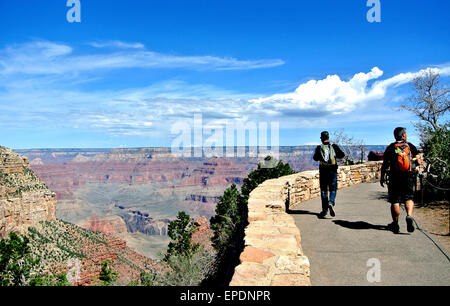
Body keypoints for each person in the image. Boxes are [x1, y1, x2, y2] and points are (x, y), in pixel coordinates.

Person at [380, 127, 421, 233]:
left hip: (395, 176)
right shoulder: (410, 146)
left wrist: (382, 177)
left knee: (395, 201)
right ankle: (409, 216)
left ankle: (395, 224)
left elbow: (385, 164)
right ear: (403, 135)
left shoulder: (391, 147)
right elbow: (419, 162)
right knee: (409, 198)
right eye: (405, 133)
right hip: (409, 175)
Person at [313, 131, 345, 218]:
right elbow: (342, 155)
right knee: (333, 189)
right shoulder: (334, 147)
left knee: (324, 190)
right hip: (332, 170)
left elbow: (315, 158)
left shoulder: (319, 147)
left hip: (323, 171)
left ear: (321, 139)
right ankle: (331, 202)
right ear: (328, 138)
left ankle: (324, 211)